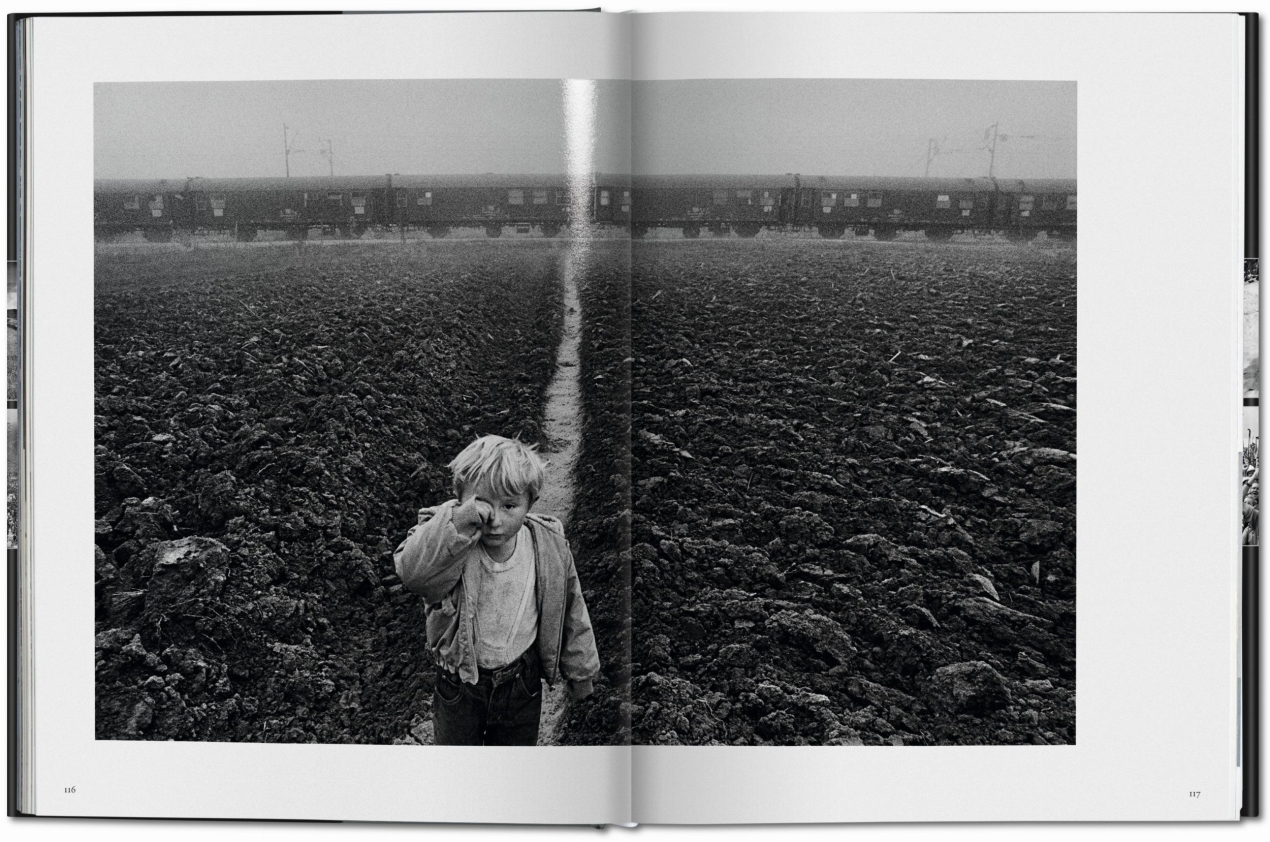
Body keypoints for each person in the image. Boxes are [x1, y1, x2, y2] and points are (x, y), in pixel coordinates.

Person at [394, 435, 600, 745]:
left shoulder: (548, 547)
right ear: (459, 498)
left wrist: (581, 672)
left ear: (530, 504)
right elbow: (413, 574)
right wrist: (461, 520)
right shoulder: (447, 541)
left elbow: (571, 608)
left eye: (509, 506)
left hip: (522, 683)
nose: (495, 520)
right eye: (482, 504)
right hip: (459, 685)